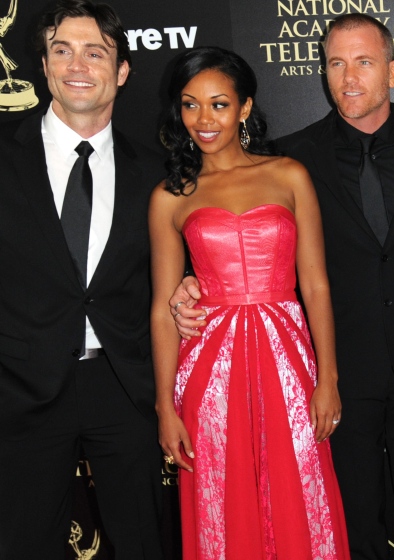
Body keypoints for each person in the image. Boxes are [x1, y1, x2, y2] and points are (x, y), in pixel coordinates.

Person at [170, 15, 394, 559]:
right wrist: (195, 278)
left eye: (364, 62)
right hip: (333, 372)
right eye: (335, 63)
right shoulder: (291, 154)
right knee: (350, 518)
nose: (348, 78)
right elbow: (252, 241)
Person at [150, 47, 349, 559]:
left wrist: (327, 378)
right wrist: (165, 407)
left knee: (302, 494)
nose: (203, 119)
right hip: (208, 371)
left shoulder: (289, 175)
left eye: (218, 104)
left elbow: (317, 285)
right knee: (222, 502)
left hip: (287, 363)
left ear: (244, 108)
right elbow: (161, 308)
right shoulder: (171, 196)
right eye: (190, 105)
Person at [0, 2, 163, 557]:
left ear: (121, 71)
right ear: (43, 65)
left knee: (143, 542)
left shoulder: (158, 171)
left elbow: (177, 272)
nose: (77, 65)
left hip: (125, 387)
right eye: (62, 50)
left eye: (96, 52)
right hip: (19, 387)